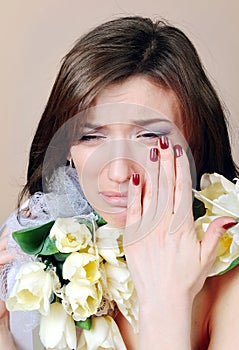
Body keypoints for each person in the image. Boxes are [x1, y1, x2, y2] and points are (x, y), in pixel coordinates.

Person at [0, 15, 239, 350]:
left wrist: (165, 300)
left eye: (150, 136)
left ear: (194, 142)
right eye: (91, 136)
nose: (117, 173)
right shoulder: (55, 251)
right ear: (68, 150)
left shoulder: (232, 281)